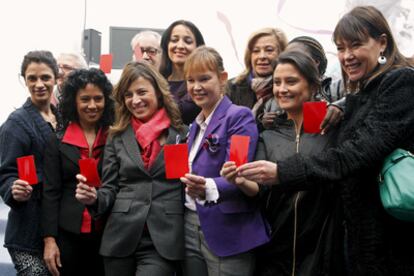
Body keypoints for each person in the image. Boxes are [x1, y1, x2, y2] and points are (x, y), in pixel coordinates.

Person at [236, 6, 414, 275]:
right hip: (354, 241)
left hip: (389, 241)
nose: (347, 56)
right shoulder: (362, 92)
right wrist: (344, 105)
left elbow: (357, 153)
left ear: (382, 43)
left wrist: (282, 172)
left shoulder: (400, 81)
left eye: (356, 45)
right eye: (341, 48)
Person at [222, 51, 344, 276]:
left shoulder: (333, 129)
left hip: (324, 251)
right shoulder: (268, 135)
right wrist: (239, 180)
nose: (282, 89)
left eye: (291, 81)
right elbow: (258, 190)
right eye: (277, 82)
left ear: (313, 86)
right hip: (276, 250)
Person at [75, 61, 188, 276]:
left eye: (142, 92)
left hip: (163, 238)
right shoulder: (117, 136)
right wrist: (94, 198)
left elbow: (182, 186)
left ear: (158, 92)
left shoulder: (180, 134)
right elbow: (110, 188)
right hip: (120, 236)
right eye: (128, 95)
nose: (135, 100)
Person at [180, 46, 269, 276]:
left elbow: (237, 171)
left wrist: (207, 186)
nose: (196, 87)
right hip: (190, 223)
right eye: (190, 80)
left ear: (222, 78)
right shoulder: (194, 125)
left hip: (227, 229)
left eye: (204, 78)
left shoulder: (239, 116)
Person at [42, 68, 114, 276]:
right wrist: (49, 240)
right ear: (74, 101)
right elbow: (50, 193)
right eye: (85, 99)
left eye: (98, 99)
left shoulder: (116, 138)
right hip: (68, 234)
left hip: (107, 233)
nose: (92, 105)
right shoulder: (56, 141)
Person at [0, 50, 59, 275]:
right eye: (32, 78)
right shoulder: (16, 124)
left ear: (55, 77)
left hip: (57, 227)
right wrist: (13, 188)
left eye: (45, 77)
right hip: (27, 231)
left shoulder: (63, 117)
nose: (39, 84)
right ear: (24, 80)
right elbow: (5, 174)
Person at [262, 36, 346, 131]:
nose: (282, 89)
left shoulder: (337, 88)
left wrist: (341, 106)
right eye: (277, 82)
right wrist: (262, 124)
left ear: (315, 62)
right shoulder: (272, 103)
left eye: (297, 56)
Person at [225, 27, 287, 128]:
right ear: (250, 56)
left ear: (282, 54)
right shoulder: (231, 88)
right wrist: (259, 124)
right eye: (256, 51)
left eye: (269, 50)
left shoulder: (286, 89)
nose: (262, 56)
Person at [160, 20, 205, 125]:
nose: (180, 46)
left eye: (188, 41)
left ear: (198, 47)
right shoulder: (155, 83)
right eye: (174, 40)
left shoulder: (204, 85)